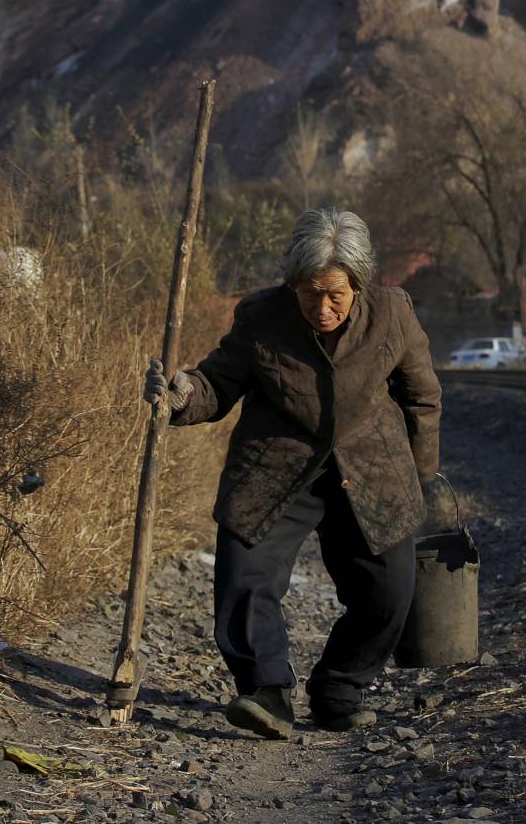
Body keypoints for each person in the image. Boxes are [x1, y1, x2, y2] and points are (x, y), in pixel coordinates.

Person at [143, 207, 442, 738]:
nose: (322, 307)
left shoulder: (392, 313)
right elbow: (217, 382)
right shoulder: (261, 316)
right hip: (275, 463)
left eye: (335, 295)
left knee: (389, 592)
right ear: (292, 284)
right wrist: (180, 394)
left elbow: (421, 396)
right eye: (309, 292)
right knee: (245, 576)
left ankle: (339, 690)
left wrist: (419, 478)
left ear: (359, 285)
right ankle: (266, 693)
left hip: (371, 467)